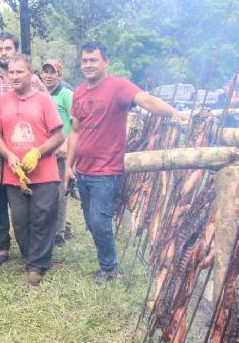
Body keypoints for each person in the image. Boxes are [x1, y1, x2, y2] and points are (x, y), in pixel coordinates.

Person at [64, 41, 186, 284]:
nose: (88, 65)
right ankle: (106, 263)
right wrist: (69, 165)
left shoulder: (118, 86)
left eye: (93, 60)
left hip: (106, 170)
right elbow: (75, 132)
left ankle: (109, 270)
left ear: (105, 62)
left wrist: (174, 113)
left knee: (99, 222)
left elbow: (146, 100)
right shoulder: (78, 92)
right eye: (85, 60)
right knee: (91, 222)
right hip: (83, 170)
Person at [0, 54, 65, 285]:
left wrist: (37, 152)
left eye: (19, 72)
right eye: (11, 72)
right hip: (15, 174)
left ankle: (37, 265)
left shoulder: (43, 100)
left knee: (43, 217)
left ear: (31, 74)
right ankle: (32, 255)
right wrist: (8, 155)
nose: (14, 76)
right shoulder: (2, 101)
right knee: (21, 221)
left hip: (44, 173)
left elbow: (59, 136)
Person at [0, 32, 47, 266]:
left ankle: (34, 244)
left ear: (16, 50)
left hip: (25, 148)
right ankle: (3, 246)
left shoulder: (34, 80)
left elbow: (45, 109)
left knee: (26, 198)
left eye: (7, 48)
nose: (3, 53)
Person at [40, 58, 75, 246]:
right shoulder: (39, 94)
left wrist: (67, 146)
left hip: (62, 152)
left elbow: (77, 123)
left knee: (61, 194)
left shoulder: (66, 94)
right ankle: (49, 228)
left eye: (52, 72)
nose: (48, 75)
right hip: (44, 152)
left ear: (59, 75)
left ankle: (59, 233)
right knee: (46, 193)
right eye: (45, 71)